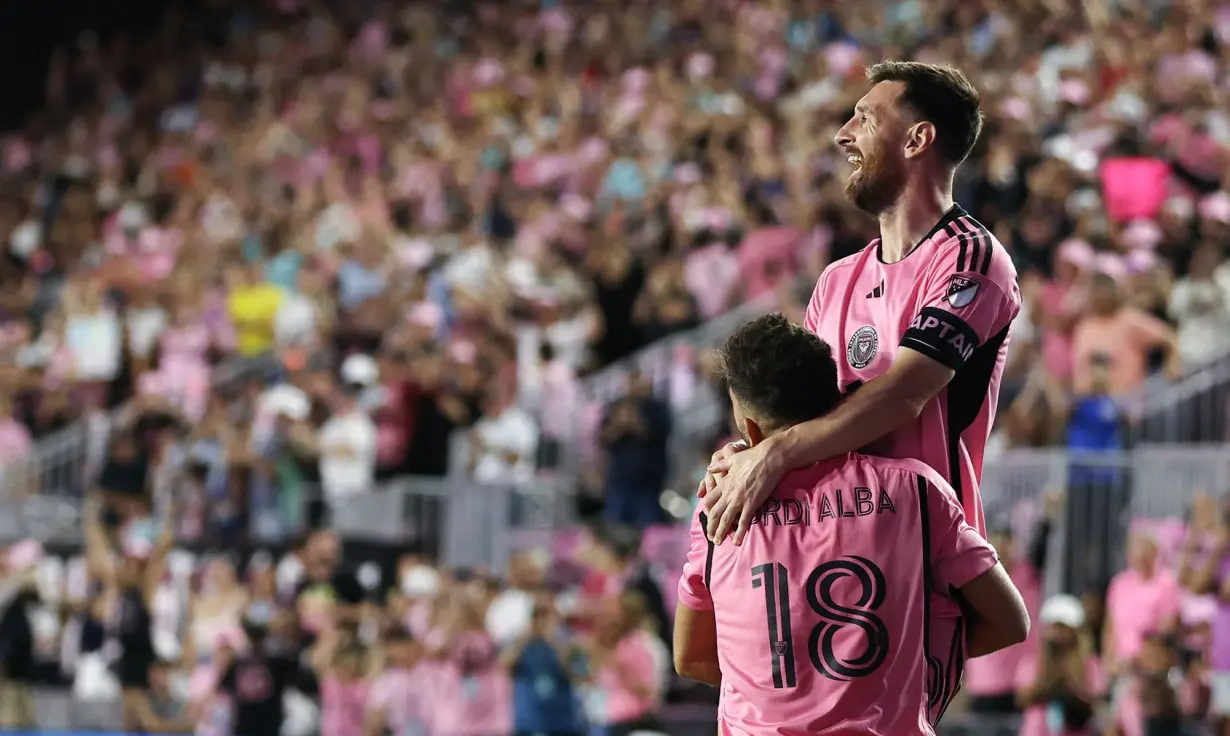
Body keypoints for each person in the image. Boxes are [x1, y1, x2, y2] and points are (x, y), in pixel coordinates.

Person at [700, 61, 1021, 545]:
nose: (842, 136)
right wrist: (747, 451)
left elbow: (904, 393)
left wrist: (777, 452)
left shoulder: (969, 257)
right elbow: (798, 416)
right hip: (833, 556)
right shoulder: (836, 280)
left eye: (865, 119)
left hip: (928, 561)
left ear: (917, 140)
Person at [674, 314, 1029, 735]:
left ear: (749, 428)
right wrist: (901, 672)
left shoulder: (719, 506)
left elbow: (690, 658)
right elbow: (1009, 622)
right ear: (838, 400)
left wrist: (786, 690)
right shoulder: (913, 489)